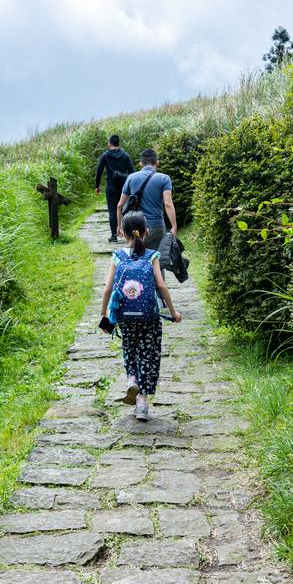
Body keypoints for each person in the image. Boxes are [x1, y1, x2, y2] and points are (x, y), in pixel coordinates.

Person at [100, 211, 182, 421]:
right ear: (145, 232)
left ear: (122, 232)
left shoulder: (118, 256)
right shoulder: (152, 255)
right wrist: (173, 312)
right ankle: (142, 403)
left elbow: (108, 289)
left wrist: (104, 316)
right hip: (149, 317)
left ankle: (131, 380)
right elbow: (161, 285)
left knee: (130, 348)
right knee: (148, 355)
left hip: (125, 316)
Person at [116, 148, 177, 254]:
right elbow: (168, 204)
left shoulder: (131, 178)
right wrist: (174, 226)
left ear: (140, 163)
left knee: (136, 256)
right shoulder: (164, 178)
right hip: (156, 228)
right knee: (156, 259)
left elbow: (120, 205)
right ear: (157, 163)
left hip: (136, 228)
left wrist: (120, 226)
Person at [95, 134, 135, 243]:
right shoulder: (125, 156)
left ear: (109, 143)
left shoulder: (105, 156)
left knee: (112, 211)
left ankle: (114, 236)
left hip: (111, 187)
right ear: (119, 143)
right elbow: (132, 173)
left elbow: (99, 171)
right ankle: (127, 234)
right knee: (125, 210)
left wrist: (97, 186)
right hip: (124, 187)